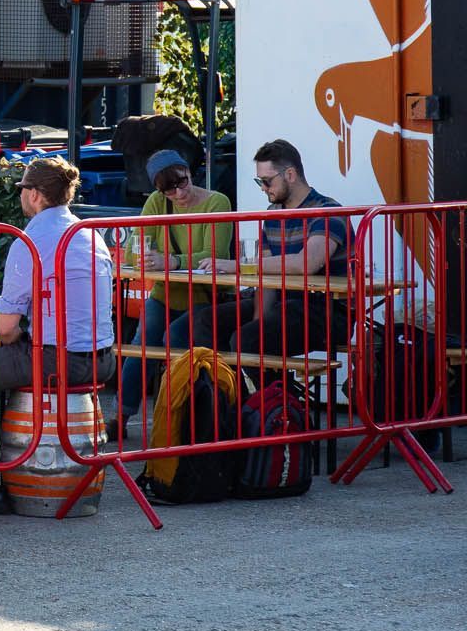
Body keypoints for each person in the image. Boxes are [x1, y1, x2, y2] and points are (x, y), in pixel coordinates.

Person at [0, 156, 116, 514]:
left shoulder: (29, 241)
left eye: (23, 191)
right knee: (3, 363)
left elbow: (5, 327)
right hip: (102, 359)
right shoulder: (90, 234)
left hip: (53, 359)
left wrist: (13, 334)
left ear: (34, 195)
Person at [165, 139, 352, 360]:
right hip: (284, 303)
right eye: (259, 181)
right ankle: (237, 394)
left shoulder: (328, 211)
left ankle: (274, 395)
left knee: (248, 340)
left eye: (266, 181)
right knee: (203, 324)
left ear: (290, 175)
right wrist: (257, 319)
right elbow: (266, 277)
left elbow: (307, 263)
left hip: (326, 309)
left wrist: (237, 266)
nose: (263, 188)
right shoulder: (273, 214)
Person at [114, 149, 232, 436]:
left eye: (183, 182)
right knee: (140, 348)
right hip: (165, 294)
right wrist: (148, 257)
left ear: (190, 172)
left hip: (205, 298)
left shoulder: (217, 202)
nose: (179, 194)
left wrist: (171, 260)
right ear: (158, 190)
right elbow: (132, 251)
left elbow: (214, 256)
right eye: (170, 191)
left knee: (172, 340)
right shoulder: (156, 202)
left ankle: (178, 419)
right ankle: (120, 416)